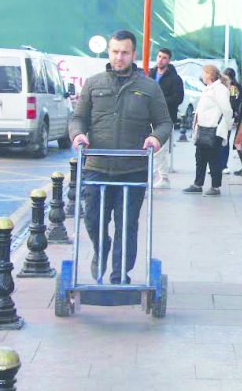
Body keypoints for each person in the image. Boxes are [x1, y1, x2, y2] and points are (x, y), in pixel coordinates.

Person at [69, 30, 173, 285]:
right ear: (109, 52)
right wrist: (78, 135)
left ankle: (119, 275)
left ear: (133, 54)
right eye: (115, 52)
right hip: (97, 166)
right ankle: (101, 248)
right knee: (93, 219)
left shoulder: (148, 87)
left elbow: (164, 123)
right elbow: (78, 118)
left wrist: (155, 139)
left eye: (125, 52)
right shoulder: (94, 84)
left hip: (132, 169)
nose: (119, 57)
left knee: (127, 226)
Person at [183, 65, 234, 197]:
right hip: (203, 128)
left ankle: (215, 187)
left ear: (209, 74)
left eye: (203, 73)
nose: (202, 75)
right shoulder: (209, 89)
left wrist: (227, 127)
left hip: (213, 130)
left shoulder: (220, 89)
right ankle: (197, 184)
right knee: (200, 158)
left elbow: (227, 110)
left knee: (214, 159)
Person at [149, 48, 184, 189]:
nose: (160, 59)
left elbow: (178, 98)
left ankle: (149, 176)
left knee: (159, 148)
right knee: (158, 149)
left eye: (164, 57)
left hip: (166, 118)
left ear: (168, 60)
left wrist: (161, 101)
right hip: (149, 116)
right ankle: (163, 178)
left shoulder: (175, 78)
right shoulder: (150, 74)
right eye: (159, 56)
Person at [219, 67, 241, 174]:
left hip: (226, 116)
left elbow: (232, 102)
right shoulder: (231, 87)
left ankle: (222, 164)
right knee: (223, 141)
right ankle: (221, 164)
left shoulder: (232, 87)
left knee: (223, 141)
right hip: (226, 116)